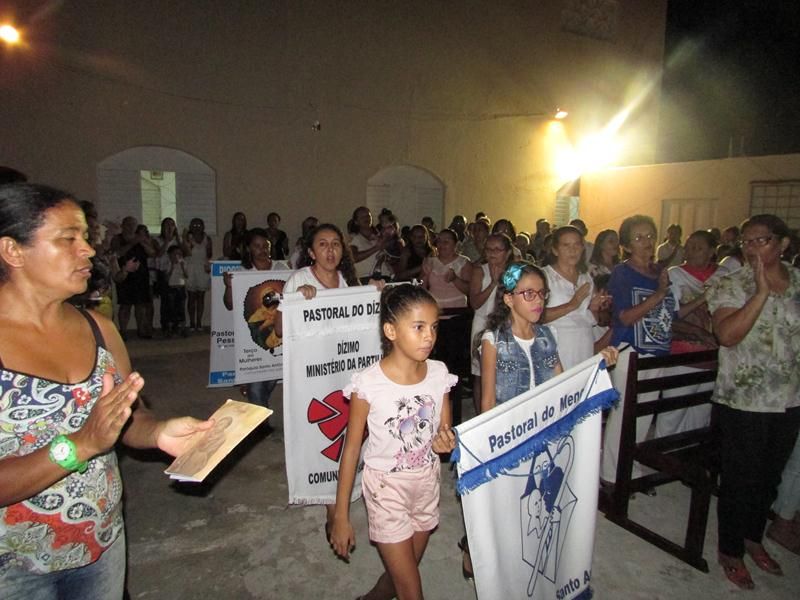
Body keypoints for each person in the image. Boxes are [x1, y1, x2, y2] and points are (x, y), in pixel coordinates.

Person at [0, 183, 213, 599]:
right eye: (68, 239)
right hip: (15, 564)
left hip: (101, 543)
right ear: (13, 251)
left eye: (86, 236)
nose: (88, 250)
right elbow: (93, 437)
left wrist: (159, 432)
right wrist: (80, 444)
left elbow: (127, 418)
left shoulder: (98, 329)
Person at [330, 284, 457, 600]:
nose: (429, 336)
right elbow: (351, 450)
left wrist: (445, 441)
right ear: (391, 331)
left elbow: (444, 430)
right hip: (386, 489)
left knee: (404, 570)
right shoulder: (368, 384)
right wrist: (341, 515)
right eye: (419, 327)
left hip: (427, 484)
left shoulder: (439, 374)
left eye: (434, 327)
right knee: (411, 590)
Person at [706, 214, 800, 589]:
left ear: (783, 244)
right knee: (740, 479)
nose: (751, 248)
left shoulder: (798, 282)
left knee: (770, 477)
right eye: (746, 241)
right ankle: (730, 550)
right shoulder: (731, 283)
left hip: (789, 397)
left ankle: (753, 537)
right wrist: (760, 293)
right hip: (743, 399)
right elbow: (727, 335)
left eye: (761, 240)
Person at [600, 215, 677, 485]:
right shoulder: (623, 273)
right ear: (626, 245)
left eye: (650, 236)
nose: (647, 242)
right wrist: (658, 294)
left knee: (644, 414)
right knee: (623, 414)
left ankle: (631, 469)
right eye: (638, 237)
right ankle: (611, 474)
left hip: (657, 350)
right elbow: (624, 317)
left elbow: (670, 315)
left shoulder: (660, 273)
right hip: (631, 350)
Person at [223, 228, 284, 413]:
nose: (262, 250)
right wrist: (229, 286)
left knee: (270, 381)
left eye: (265, 246)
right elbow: (229, 305)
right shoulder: (242, 272)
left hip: (280, 341)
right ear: (249, 248)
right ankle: (261, 422)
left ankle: (258, 409)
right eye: (257, 246)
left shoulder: (282, 269)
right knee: (257, 389)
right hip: (253, 345)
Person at [542, 226, 607, 370]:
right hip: (557, 347)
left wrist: (594, 308)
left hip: (584, 345)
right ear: (555, 250)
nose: (573, 250)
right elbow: (536, 316)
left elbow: (590, 318)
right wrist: (572, 304)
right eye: (566, 245)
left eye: (577, 245)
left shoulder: (586, 278)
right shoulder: (544, 276)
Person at [468, 233, 513, 414]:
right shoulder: (480, 270)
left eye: (498, 249)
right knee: (480, 374)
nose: (493, 253)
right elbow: (475, 302)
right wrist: (494, 283)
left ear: (507, 252)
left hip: (507, 324)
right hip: (482, 323)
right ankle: (481, 415)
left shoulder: (514, 271)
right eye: (489, 249)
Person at [111, 216, 155, 339]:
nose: (131, 227)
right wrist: (132, 243)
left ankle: (141, 329)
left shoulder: (141, 238)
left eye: (133, 225)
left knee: (140, 305)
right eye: (128, 224)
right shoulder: (117, 238)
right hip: (124, 275)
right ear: (123, 226)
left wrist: (142, 242)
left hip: (141, 275)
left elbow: (152, 253)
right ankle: (123, 331)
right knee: (125, 305)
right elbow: (117, 253)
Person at [421, 228, 471, 308]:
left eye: (446, 242)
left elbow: (469, 290)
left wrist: (455, 279)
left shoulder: (464, 262)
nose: (441, 245)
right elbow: (421, 287)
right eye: (439, 241)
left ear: (455, 244)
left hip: (457, 308)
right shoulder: (430, 261)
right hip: (434, 307)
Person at [183, 217, 212, 332]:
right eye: (194, 225)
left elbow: (209, 254)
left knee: (201, 296)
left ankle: (199, 322)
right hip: (190, 268)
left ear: (203, 227)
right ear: (190, 227)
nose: (196, 227)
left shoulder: (207, 238)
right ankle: (192, 322)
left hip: (202, 268)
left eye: (199, 225)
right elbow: (185, 253)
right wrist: (186, 241)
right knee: (191, 297)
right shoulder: (187, 238)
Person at [161, 245, 188, 337]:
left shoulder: (183, 263)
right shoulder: (167, 264)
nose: (177, 256)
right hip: (171, 289)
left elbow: (186, 276)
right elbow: (166, 278)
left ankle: (182, 328)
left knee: (181, 309)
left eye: (179, 254)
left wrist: (182, 267)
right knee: (171, 309)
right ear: (169, 255)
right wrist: (172, 266)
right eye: (175, 254)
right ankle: (170, 329)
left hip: (181, 287)